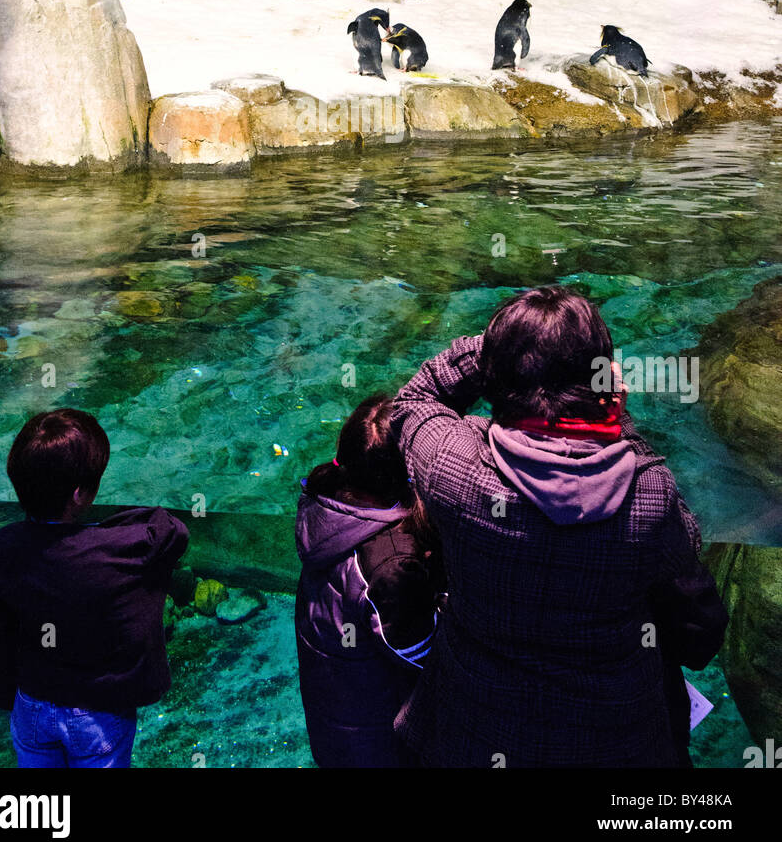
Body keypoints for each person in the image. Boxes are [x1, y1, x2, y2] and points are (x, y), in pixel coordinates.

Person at [388, 286, 728, 769]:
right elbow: (693, 596)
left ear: (498, 378)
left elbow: (415, 399)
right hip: (610, 739)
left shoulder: (452, 465)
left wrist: (496, 350)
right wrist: (616, 419)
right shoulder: (650, 495)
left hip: (474, 727)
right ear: (603, 382)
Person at [0, 408, 188, 768]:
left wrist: (5, 695)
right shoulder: (121, 548)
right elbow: (168, 527)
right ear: (79, 494)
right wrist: (101, 528)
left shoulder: (4, 545)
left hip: (31, 707)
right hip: (97, 715)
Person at [295, 394, 445, 768]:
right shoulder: (390, 563)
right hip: (381, 746)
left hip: (338, 733)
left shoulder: (324, 504)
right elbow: (422, 660)